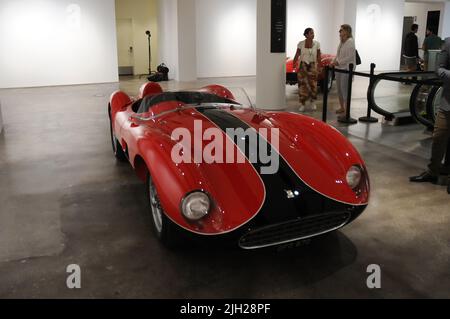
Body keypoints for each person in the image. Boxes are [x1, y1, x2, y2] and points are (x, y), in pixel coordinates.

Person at [410, 37, 450, 195]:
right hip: (447, 103)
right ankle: (433, 172)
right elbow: (439, 69)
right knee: (439, 137)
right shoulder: (448, 43)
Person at [293, 28, 321, 112]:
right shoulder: (301, 44)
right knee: (302, 85)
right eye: (311, 33)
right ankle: (302, 104)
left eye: (313, 33)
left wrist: (319, 66)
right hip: (303, 65)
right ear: (306, 35)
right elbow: (297, 54)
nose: (313, 34)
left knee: (313, 84)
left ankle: (312, 102)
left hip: (312, 66)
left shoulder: (317, 44)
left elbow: (319, 55)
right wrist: (294, 63)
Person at [330, 24, 356, 116]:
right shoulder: (342, 42)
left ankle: (347, 110)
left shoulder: (350, 42)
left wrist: (338, 62)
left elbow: (350, 57)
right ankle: (342, 107)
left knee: (345, 90)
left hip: (346, 69)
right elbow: (338, 54)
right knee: (339, 89)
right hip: (339, 69)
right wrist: (334, 61)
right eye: (340, 30)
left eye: (341, 30)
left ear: (347, 31)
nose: (339, 32)